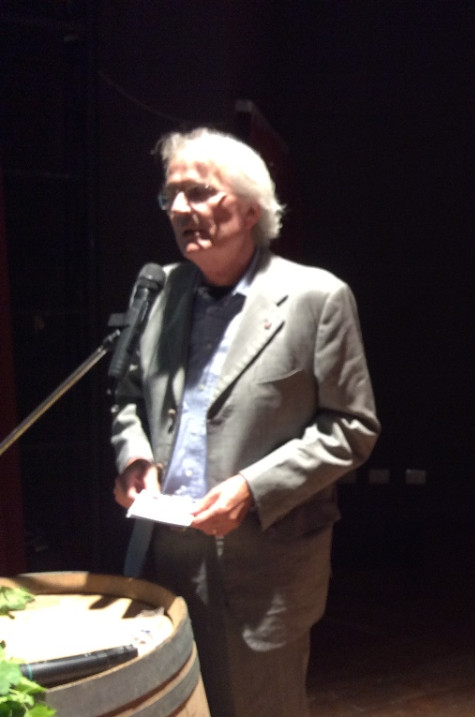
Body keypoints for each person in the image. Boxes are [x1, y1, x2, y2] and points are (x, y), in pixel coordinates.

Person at [110, 127, 380, 717]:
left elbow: (351, 427)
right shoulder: (159, 290)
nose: (180, 209)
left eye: (199, 192)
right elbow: (127, 394)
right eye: (170, 196)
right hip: (164, 553)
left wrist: (253, 489)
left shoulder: (316, 298)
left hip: (261, 563)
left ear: (252, 208)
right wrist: (134, 455)